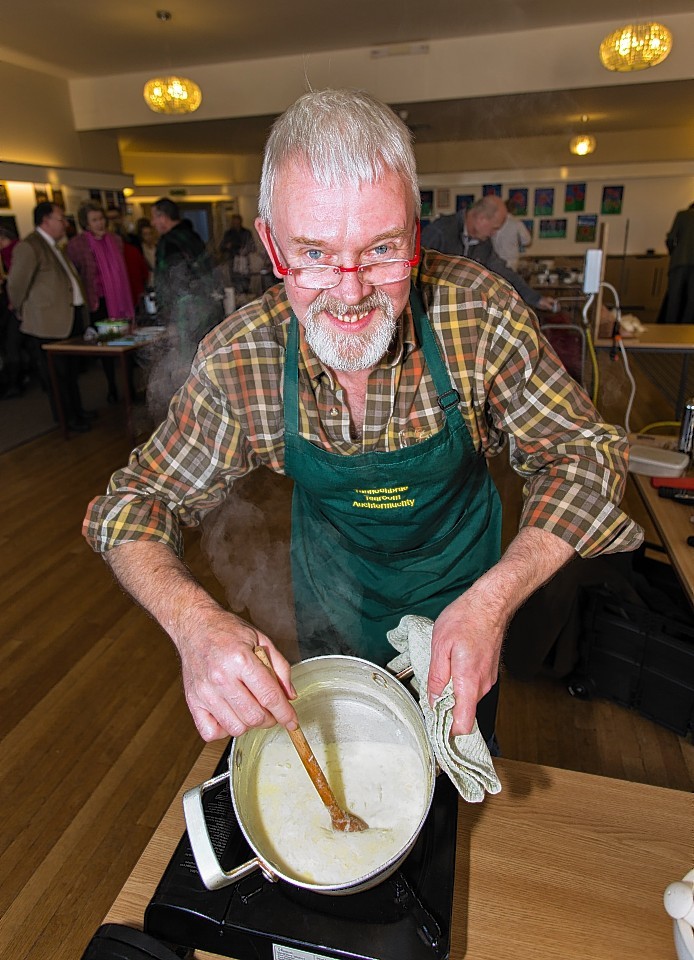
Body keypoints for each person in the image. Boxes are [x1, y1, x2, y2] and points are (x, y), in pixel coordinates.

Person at [83, 89, 642, 749]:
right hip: (331, 593)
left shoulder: (478, 314)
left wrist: (494, 602)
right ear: (269, 242)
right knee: (347, 751)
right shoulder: (245, 357)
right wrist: (192, 622)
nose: (350, 293)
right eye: (314, 255)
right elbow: (132, 505)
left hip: (463, 584)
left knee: (453, 759)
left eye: (381, 250)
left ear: (414, 229)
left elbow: (586, 458)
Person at [8, 202, 93, 432]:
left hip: (67, 320)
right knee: (57, 376)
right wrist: (24, 310)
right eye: (60, 218)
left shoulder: (56, 246)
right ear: (45, 220)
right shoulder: (30, 246)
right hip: (46, 324)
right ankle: (67, 418)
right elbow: (16, 286)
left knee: (71, 372)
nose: (65, 223)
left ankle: (77, 411)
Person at [422, 196, 556, 312]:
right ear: (481, 219)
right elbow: (415, 273)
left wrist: (536, 299)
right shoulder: (440, 231)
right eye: (495, 228)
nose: (494, 233)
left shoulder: (484, 243)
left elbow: (502, 271)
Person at [68, 202, 136, 403]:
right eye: (95, 220)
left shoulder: (115, 240)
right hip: (98, 302)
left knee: (126, 343)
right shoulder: (77, 245)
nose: (100, 223)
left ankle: (130, 387)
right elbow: (78, 274)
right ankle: (112, 387)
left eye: (101, 219)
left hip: (120, 299)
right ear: (85, 223)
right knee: (106, 347)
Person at [660, 201, 694, 324]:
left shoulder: (682, 215)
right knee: (691, 301)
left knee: (674, 298)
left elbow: (671, 238)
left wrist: (673, 253)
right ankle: (685, 328)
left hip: (679, 261)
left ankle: (669, 327)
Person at [0, 226, 24, 398]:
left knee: (12, 344)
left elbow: (17, 280)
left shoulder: (14, 252)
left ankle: (15, 382)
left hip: (15, 305)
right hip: (11, 305)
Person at [219, 214, 256, 294]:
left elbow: (253, 247)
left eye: (237, 222)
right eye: (234, 223)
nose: (236, 224)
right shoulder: (228, 234)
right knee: (234, 282)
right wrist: (227, 246)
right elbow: (221, 247)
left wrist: (246, 250)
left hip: (245, 262)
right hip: (232, 261)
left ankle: (245, 295)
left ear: (240, 222)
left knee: (246, 281)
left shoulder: (246, 233)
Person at [492, 201, 532, 270]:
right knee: (509, 280)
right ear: (514, 210)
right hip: (511, 261)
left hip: (494, 260)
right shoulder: (517, 223)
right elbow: (527, 242)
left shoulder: (494, 222)